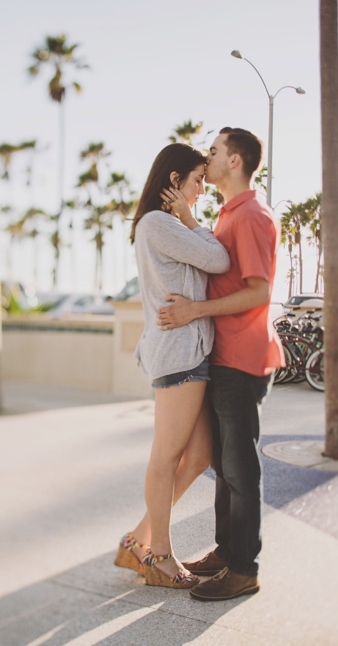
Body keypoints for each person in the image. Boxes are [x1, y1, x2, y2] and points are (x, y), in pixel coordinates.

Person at [157, 127, 284, 601]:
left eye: (214, 151)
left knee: (239, 467)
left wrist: (192, 311)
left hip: (242, 357)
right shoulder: (230, 213)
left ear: (235, 162)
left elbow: (258, 291)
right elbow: (216, 255)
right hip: (224, 355)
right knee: (226, 468)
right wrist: (190, 220)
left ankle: (244, 568)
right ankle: (226, 552)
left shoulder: (252, 216)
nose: (206, 158)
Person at [115, 143, 230, 589]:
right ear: (174, 181)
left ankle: (137, 539)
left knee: (198, 456)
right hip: (178, 354)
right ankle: (158, 556)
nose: (202, 189)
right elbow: (218, 260)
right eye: (198, 180)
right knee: (166, 457)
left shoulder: (158, 224)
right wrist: (191, 218)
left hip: (188, 352)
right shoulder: (159, 223)